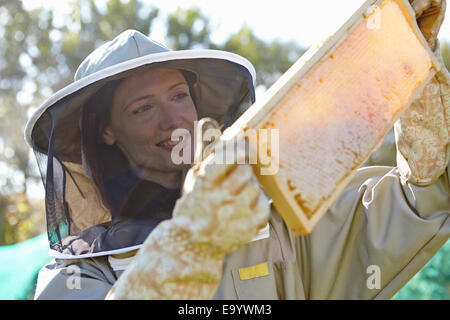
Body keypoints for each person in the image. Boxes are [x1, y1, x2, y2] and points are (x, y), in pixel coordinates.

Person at [29, 0, 449, 300]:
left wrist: (406, 56)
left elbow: (417, 202)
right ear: (107, 132)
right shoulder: (79, 274)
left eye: (179, 95)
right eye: (143, 108)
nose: (173, 119)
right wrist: (195, 241)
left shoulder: (274, 226)